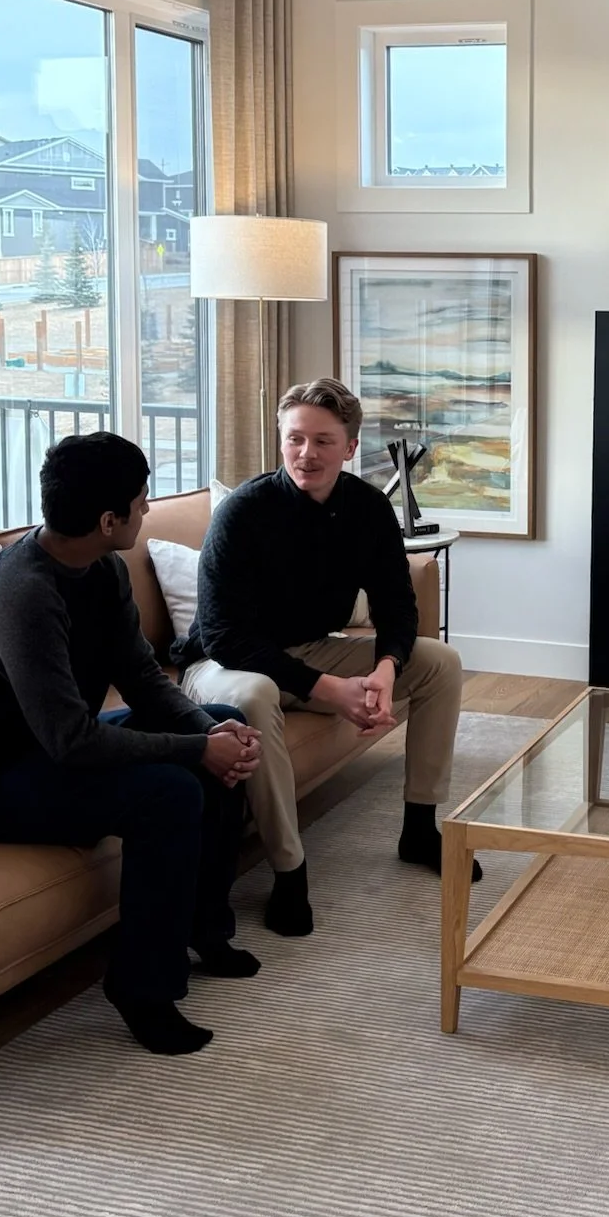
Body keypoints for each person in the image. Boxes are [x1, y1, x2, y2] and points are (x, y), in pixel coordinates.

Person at [0, 433, 262, 1058]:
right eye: (141, 501)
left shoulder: (101, 567)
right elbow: (73, 743)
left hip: (47, 746)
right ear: (109, 521)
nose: (147, 510)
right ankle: (141, 989)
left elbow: (141, 678)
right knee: (171, 791)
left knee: (220, 718)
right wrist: (192, 752)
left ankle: (202, 929)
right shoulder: (24, 593)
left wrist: (206, 734)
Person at [178, 377, 470, 938]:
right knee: (258, 693)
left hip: (311, 650)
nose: (305, 454)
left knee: (440, 663)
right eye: (294, 439)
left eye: (322, 441)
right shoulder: (243, 513)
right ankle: (289, 870)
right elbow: (221, 635)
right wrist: (331, 691)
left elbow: (397, 606)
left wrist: (384, 670)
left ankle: (419, 827)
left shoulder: (365, 508)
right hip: (224, 665)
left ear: (350, 448)